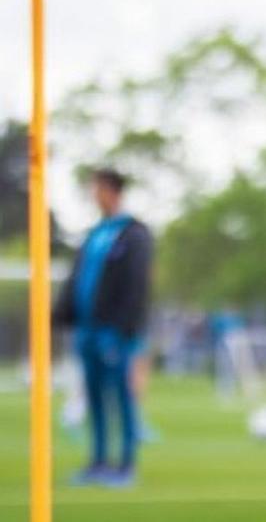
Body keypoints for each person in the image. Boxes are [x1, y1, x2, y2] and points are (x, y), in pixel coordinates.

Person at [52, 168, 153, 487]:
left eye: (96, 188)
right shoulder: (94, 234)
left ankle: (125, 465)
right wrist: (59, 315)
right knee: (93, 398)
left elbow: (137, 286)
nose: (93, 194)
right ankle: (97, 462)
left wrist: (124, 329)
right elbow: (77, 279)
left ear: (110, 190)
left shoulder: (134, 234)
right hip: (87, 330)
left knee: (120, 398)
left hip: (115, 333)